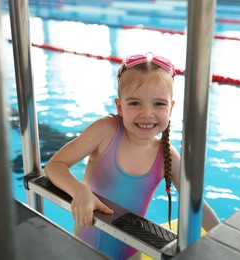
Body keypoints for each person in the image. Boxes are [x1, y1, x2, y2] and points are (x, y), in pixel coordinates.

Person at [44, 53, 220, 259]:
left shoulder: (166, 154)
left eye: (159, 104)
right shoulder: (106, 131)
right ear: (120, 106)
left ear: (171, 108)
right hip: (85, 250)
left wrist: (225, 238)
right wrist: (79, 191)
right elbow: (55, 165)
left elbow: (194, 203)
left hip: (132, 252)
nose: (147, 113)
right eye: (135, 103)